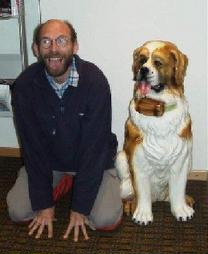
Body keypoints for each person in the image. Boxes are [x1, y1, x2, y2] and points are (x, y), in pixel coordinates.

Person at [6, 19, 122, 241]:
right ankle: (62, 183)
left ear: (74, 46)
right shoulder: (24, 86)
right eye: (46, 42)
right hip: (50, 163)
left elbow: (94, 149)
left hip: (92, 160)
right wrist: (44, 204)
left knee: (105, 220)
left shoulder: (94, 82)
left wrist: (79, 208)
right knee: (19, 212)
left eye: (61, 41)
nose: (54, 49)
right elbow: (32, 148)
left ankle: (89, 184)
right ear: (36, 49)